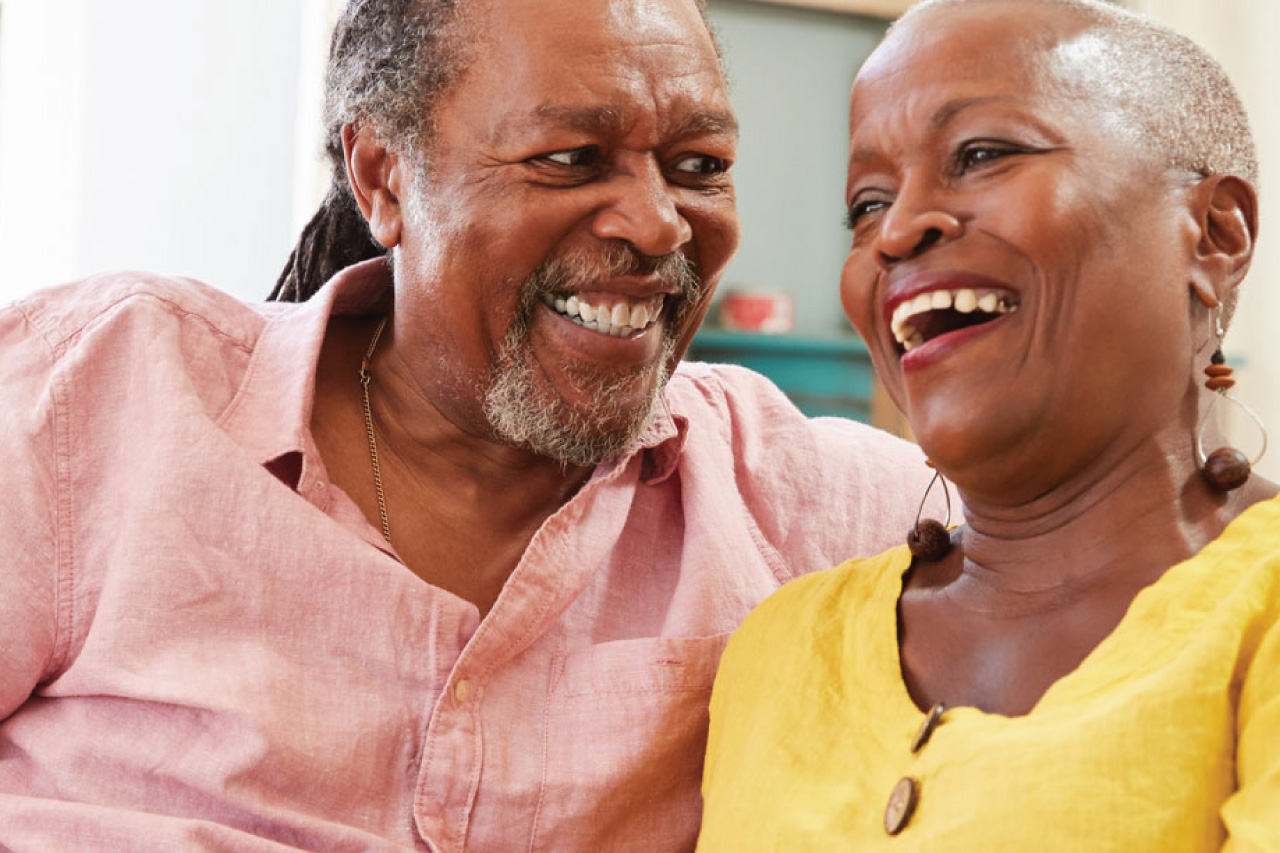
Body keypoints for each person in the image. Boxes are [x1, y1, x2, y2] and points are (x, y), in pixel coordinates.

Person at [0, 0, 931, 849]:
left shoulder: (798, 497)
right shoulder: (97, 392)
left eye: (699, 168)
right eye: (570, 159)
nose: (659, 226)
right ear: (384, 179)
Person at [698, 0, 1280, 849]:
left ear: (1215, 234)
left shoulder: (1255, 610)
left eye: (981, 154)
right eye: (865, 204)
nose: (896, 230)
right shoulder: (779, 649)